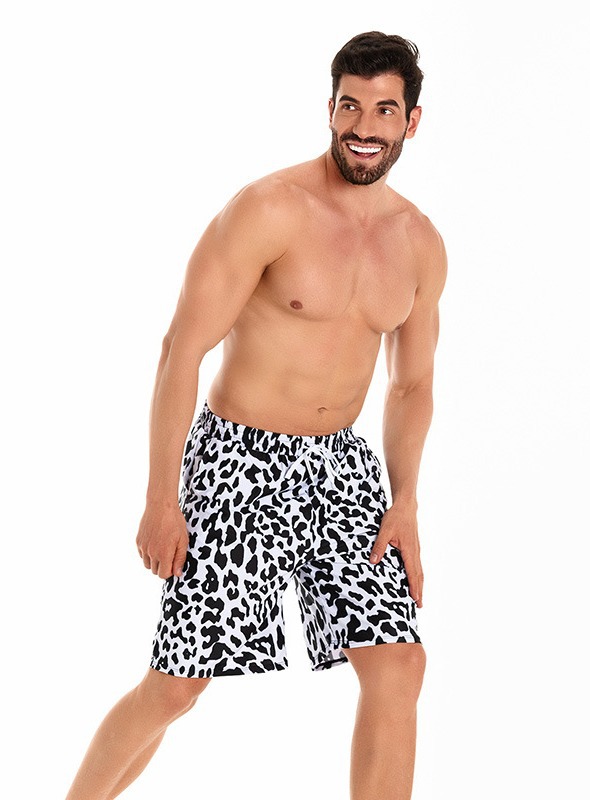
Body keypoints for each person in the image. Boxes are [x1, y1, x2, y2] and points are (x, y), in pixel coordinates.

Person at [66, 30, 447, 800]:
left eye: (383, 110)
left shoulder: (420, 244)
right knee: (177, 686)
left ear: (412, 121)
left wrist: (405, 501)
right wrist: (161, 497)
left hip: (342, 468)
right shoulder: (270, 208)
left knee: (400, 663)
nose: (363, 126)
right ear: (329, 108)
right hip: (238, 460)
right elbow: (181, 350)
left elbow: (410, 387)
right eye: (349, 105)